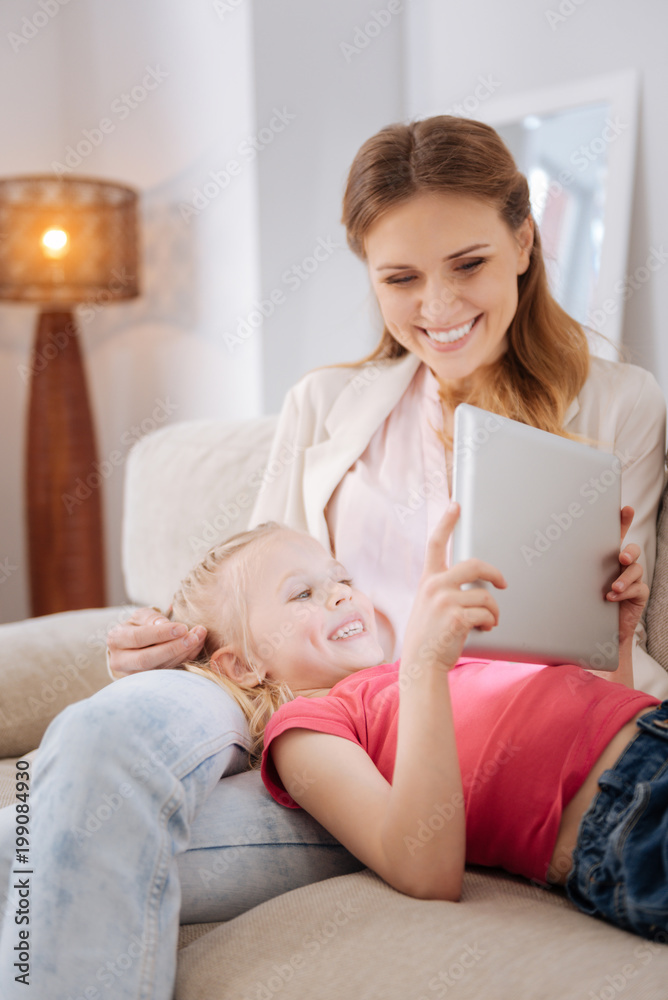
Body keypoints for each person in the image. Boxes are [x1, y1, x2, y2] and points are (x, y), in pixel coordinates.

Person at [1, 507, 659, 999]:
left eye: (340, 578)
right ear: (243, 663)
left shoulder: (419, 671)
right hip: (634, 812)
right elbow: (426, 868)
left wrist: (617, 641)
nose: (340, 594)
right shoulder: (313, 723)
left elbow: (604, 722)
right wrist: (423, 669)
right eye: (303, 594)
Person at [108, 114, 666, 691]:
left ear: (523, 242)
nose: (439, 306)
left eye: (469, 264)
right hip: (353, 738)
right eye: (402, 279)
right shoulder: (321, 404)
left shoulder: (623, 403)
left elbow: (614, 633)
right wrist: (163, 654)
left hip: (531, 726)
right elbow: (249, 624)